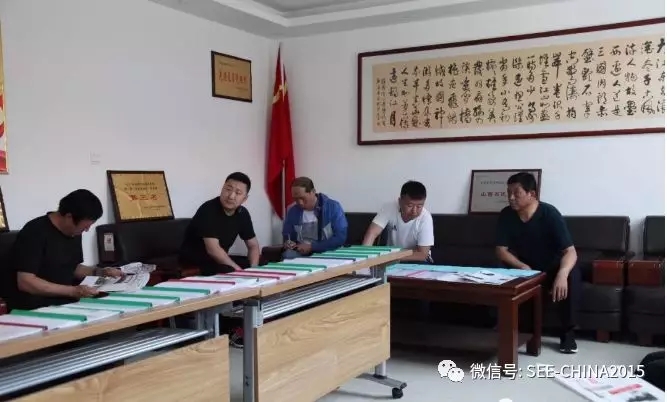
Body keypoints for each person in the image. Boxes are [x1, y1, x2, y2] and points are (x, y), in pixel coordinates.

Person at [495, 172, 581, 354]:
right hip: (524, 267)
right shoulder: (506, 215)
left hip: (552, 267)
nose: (511, 198)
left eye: (516, 193)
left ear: (532, 194)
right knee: (498, 270)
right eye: (508, 193)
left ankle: (567, 334)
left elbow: (570, 252)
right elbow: (501, 250)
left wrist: (562, 274)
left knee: (572, 276)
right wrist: (522, 267)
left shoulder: (550, 214)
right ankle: (508, 327)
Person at [5, 189, 122, 311]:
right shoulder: (34, 232)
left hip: (67, 302)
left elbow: (72, 268)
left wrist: (100, 272)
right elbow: (26, 282)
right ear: (69, 217)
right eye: (85, 226)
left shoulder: (74, 231)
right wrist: (72, 291)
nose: (87, 230)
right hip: (36, 307)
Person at [179, 172, 260, 275]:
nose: (231, 196)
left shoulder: (242, 213)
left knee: (259, 262)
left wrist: (254, 269)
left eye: (238, 193)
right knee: (229, 269)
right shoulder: (208, 209)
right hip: (196, 263)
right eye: (228, 189)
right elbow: (213, 250)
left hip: (218, 262)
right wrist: (240, 273)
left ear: (244, 199)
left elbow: (253, 245)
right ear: (222, 189)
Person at [361, 180, 434, 263]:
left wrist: (393, 257)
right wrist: (363, 257)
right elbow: (372, 233)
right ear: (400, 201)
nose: (414, 211)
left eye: (419, 206)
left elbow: (422, 254)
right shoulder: (389, 208)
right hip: (391, 256)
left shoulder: (426, 218)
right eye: (410, 205)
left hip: (415, 259)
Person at [281, 177, 348, 259]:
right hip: (302, 253)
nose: (300, 202)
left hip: (327, 252)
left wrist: (312, 247)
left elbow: (340, 238)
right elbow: (287, 235)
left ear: (313, 192)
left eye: (302, 198)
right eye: (295, 199)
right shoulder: (293, 211)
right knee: (288, 255)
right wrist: (288, 243)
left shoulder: (333, 207)